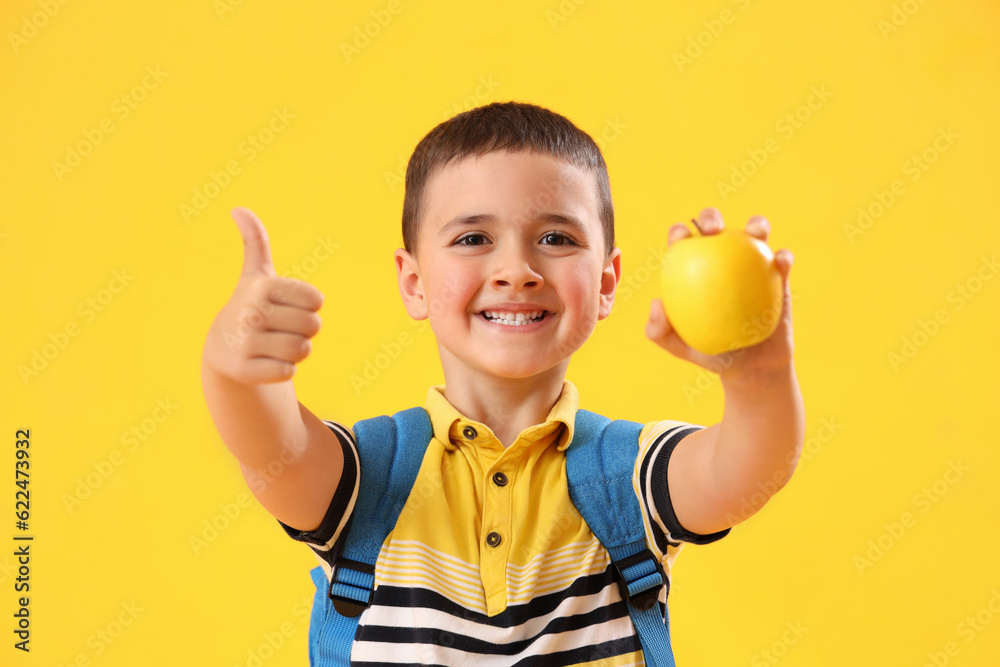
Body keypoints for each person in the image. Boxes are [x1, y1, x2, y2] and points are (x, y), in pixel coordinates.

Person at [201, 101, 805, 664]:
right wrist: (234, 370)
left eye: (556, 238)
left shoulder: (629, 479)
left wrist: (759, 377)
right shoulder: (366, 480)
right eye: (473, 239)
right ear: (413, 282)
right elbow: (267, 442)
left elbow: (746, 471)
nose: (516, 270)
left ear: (606, 281)